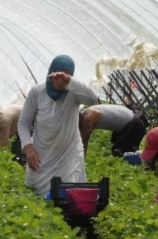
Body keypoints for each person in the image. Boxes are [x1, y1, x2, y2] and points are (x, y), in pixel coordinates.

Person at [18, 55, 98, 196]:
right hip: (41, 155)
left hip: (68, 154)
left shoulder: (73, 93)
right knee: (38, 196)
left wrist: (69, 81)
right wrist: (28, 148)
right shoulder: (37, 92)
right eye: (58, 75)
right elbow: (24, 122)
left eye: (65, 76)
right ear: (51, 73)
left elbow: (92, 98)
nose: (60, 80)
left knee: (66, 196)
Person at [79, 104, 148, 156]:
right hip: (131, 119)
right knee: (119, 152)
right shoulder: (87, 112)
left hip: (135, 125)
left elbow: (83, 144)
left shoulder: (88, 118)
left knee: (126, 155)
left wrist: (82, 155)